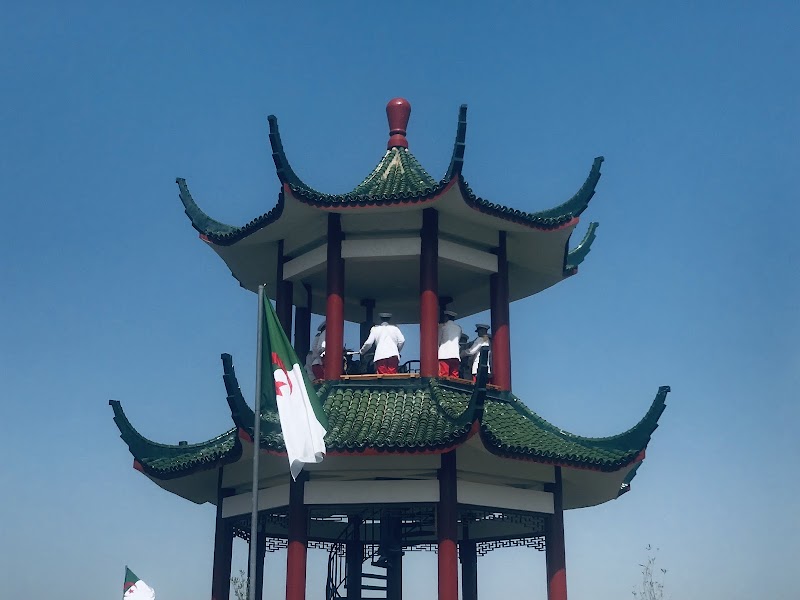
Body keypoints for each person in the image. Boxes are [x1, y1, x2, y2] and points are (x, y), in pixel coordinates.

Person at [438, 309, 462, 378]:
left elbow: (438, 340)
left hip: (444, 354)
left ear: (446, 317)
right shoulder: (459, 328)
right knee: (454, 375)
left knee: (444, 374)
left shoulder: (443, 327)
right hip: (455, 354)